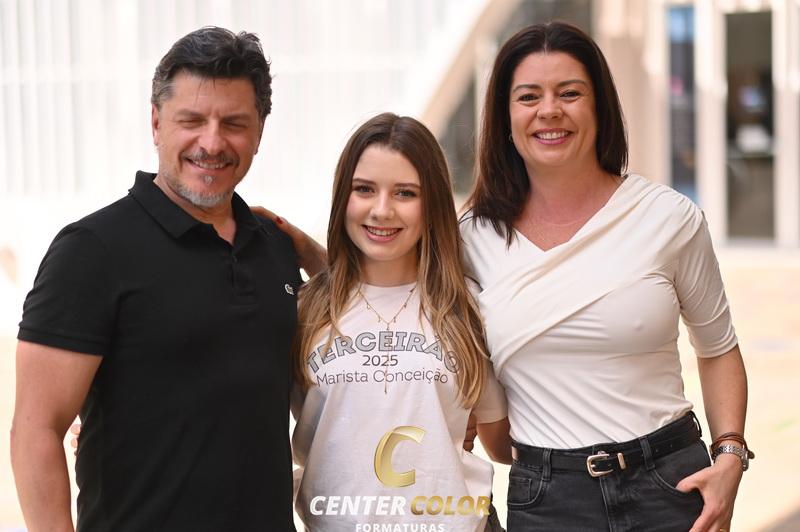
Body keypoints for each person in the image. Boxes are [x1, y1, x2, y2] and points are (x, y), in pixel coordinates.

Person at [459, 22, 750, 532]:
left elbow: (718, 347)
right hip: (549, 500)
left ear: (599, 107)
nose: (550, 110)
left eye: (570, 93)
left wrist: (730, 457)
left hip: (671, 486)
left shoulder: (667, 217)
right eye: (528, 96)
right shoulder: (472, 239)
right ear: (505, 116)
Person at [11, 27, 300, 531]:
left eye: (234, 123)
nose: (212, 142)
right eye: (192, 120)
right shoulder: (92, 250)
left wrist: (313, 252)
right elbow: (36, 430)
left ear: (259, 132)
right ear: (156, 123)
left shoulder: (275, 247)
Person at [289, 112, 511, 531]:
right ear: (343, 197)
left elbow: (504, 444)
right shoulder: (305, 310)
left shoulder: (467, 307)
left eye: (405, 193)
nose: (382, 210)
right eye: (364, 189)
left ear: (432, 205)